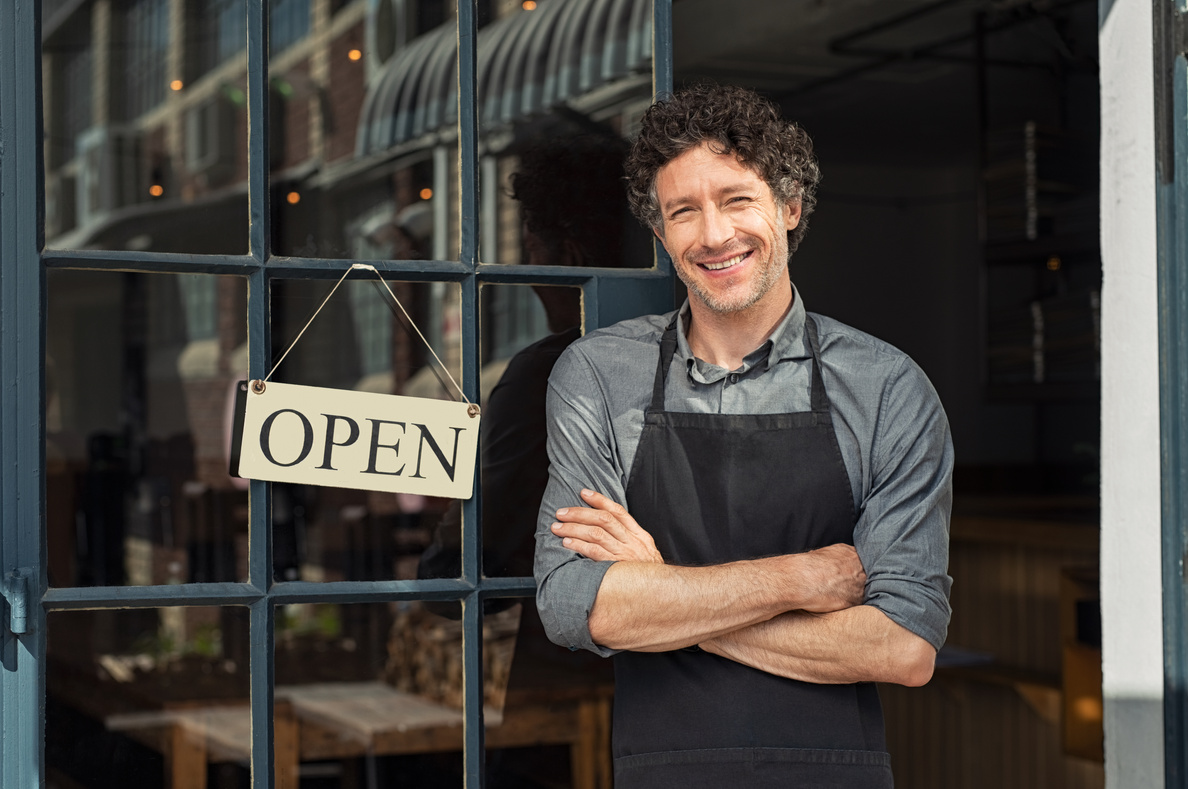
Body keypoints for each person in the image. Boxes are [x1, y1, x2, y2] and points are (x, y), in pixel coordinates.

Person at [533, 83, 954, 788]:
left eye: (736, 200)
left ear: (789, 208)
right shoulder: (600, 376)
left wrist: (657, 590)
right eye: (684, 212)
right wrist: (802, 578)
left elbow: (904, 646)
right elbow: (576, 603)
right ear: (662, 234)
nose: (714, 234)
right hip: (662, 771)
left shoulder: (885, 387)